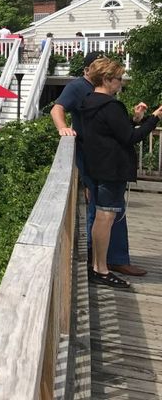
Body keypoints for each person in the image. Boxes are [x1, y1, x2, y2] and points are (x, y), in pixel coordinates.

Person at [51, 51, 145, 276]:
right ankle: (99, 261)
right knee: (101, 208)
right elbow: (57, 108)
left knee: (112, 209)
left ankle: (113, 259)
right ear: (88, 71)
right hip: (93, 157)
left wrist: (134, 119)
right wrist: (62, 128)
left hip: (107, 158)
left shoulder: (103, 91)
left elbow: (111, 124)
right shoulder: (77, 87)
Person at [80, 58, 162, 287]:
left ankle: (97, 266)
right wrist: (154, 118)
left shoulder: (89, 102)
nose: (121, 83)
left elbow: (115, 128)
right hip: (112, 170)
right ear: (106, 79)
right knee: (106, 218)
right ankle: (102, 269)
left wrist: (136, 119)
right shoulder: (110, 105)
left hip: (97, 167)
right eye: (118, 79)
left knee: (100, 217)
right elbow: (130, 137)